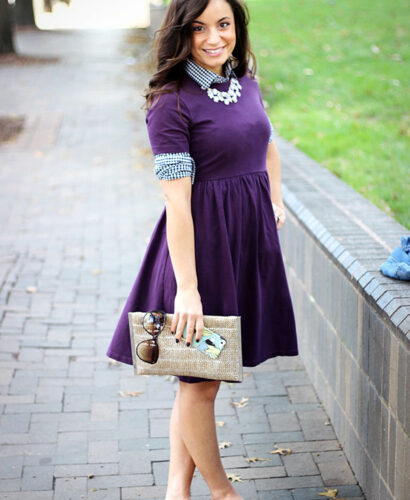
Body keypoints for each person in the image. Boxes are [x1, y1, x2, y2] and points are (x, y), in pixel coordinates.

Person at [106, 0, 299, 498]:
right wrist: (187, 289)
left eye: (224, 25)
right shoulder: (171, 103)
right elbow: (177, 202)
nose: (215, 38)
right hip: (202, 255)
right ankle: (222, 492)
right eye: (200, 28)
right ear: (181, 32)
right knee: (201, 381)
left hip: (243, 248)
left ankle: (178, 489)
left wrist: (274, 200)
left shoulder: (246, 81)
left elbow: (267, 143)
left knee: (197, 380)